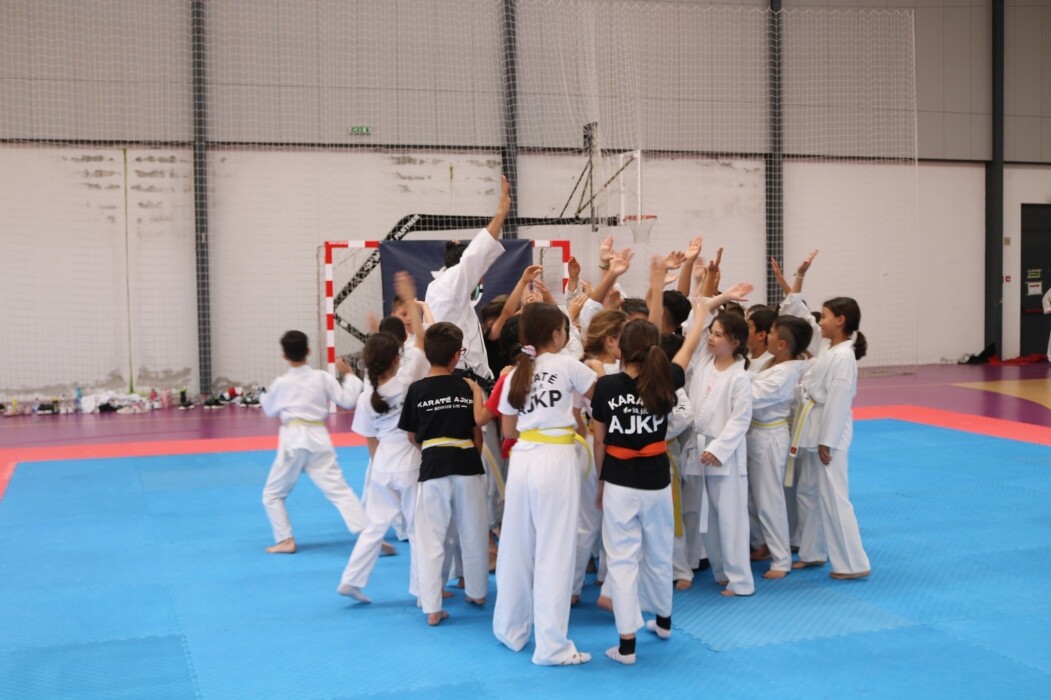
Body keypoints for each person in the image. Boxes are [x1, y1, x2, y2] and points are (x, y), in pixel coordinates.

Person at [591, 259, 710, 665]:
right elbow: (687, 345)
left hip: (620, 480)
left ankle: (626, 644)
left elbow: (600, 440)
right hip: (658, 479)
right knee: (659, 551)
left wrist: (600, 481)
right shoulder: (666, 378)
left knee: (623, 559)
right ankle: (663, 621)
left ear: (619, 348)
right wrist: (700, 313)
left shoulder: (606, 386)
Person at [493, 302, 598, 666]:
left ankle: (510, 629)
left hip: (522, 459)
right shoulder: (568, 365)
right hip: (555, 459)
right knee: (555, 550)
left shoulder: (515, 374)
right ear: (557, 334)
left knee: (516, 547)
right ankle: (552, 647)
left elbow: (507, 429)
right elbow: (602, 398)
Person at [338, 273, 430, 603]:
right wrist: (410, 298)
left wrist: (380, 467)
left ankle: (351, 580)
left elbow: (370, 440)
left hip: (382, 467)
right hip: (409, 464)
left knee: (375, 526)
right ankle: (423, 592)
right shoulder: (405, 382)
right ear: (395, 359)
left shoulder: (368, 396)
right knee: (419, 531)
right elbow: (421, 342)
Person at [398, 322, 491, 625]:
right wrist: (470, 457)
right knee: (473, 531)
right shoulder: (467, 387)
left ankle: (433, 607)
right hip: (466, 464)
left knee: (430, 538)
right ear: (456, 356)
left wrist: (432, 449)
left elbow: (412, 436)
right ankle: (477, 592)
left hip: (433, 464)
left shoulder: (416, 390)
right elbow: (477, 434)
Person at [260, 331, 367, 554]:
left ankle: (285, 539)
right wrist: (349, 376)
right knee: (339, 490)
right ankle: (368, 535)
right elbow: (348, 401)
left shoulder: (281, 383)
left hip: (294, 440)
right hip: (319, 439)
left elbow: (269, 410)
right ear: (308, 351)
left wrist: (264, 396)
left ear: (284, 356)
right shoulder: (322, 377)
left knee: (272, 494)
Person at [686, 272, 757, 597]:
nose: (712, 339)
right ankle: (721, 571)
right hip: (699, 448)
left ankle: (741, 581)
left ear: (736, 342)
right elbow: (698, 317)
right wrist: (722, 296)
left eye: (719, 335)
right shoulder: (703, 362)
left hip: (723, 454)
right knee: (708, 517)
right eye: (712, 333)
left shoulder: (740, 377)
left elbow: (741, 420)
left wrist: (719, 449)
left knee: (731, 518)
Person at [791, 298, 872, 580]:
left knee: (834, 497)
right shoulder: (828, 347)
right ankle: (812, 552)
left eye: (825, 316)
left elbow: (839, 400)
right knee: (809, 492)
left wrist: (828, 440)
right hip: (814, 425)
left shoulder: (844, 357)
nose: (820, 321)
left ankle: (853, 563)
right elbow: (803, 319)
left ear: (840, 320)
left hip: (830, 431)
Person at [424, 176, 511, 383]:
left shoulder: (443, 288)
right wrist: (500, 214)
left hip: (468, 377)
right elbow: (475, 258)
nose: (479, 278)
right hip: (460, 379)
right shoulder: (449, 285)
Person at [746, 315, 812, 579]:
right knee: (754, 499)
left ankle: (781, 560)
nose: (768, 336)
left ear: (782, 343)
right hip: (757, 434)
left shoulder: (786, 373)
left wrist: (729, 381)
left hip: (770, 438)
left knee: (768, 500)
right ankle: (762, 544)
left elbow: (752, 396)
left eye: (771, 332)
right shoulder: (772, 363)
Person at [571, 308, 628, 604]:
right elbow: (575, 410)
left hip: (620, 445)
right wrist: (588, 435)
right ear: (610, 340)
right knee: (589, 519)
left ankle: (608, 578)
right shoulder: (590, 367)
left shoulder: (626, 366)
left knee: (615, 518)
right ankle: (572, 586)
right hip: (597, 444)